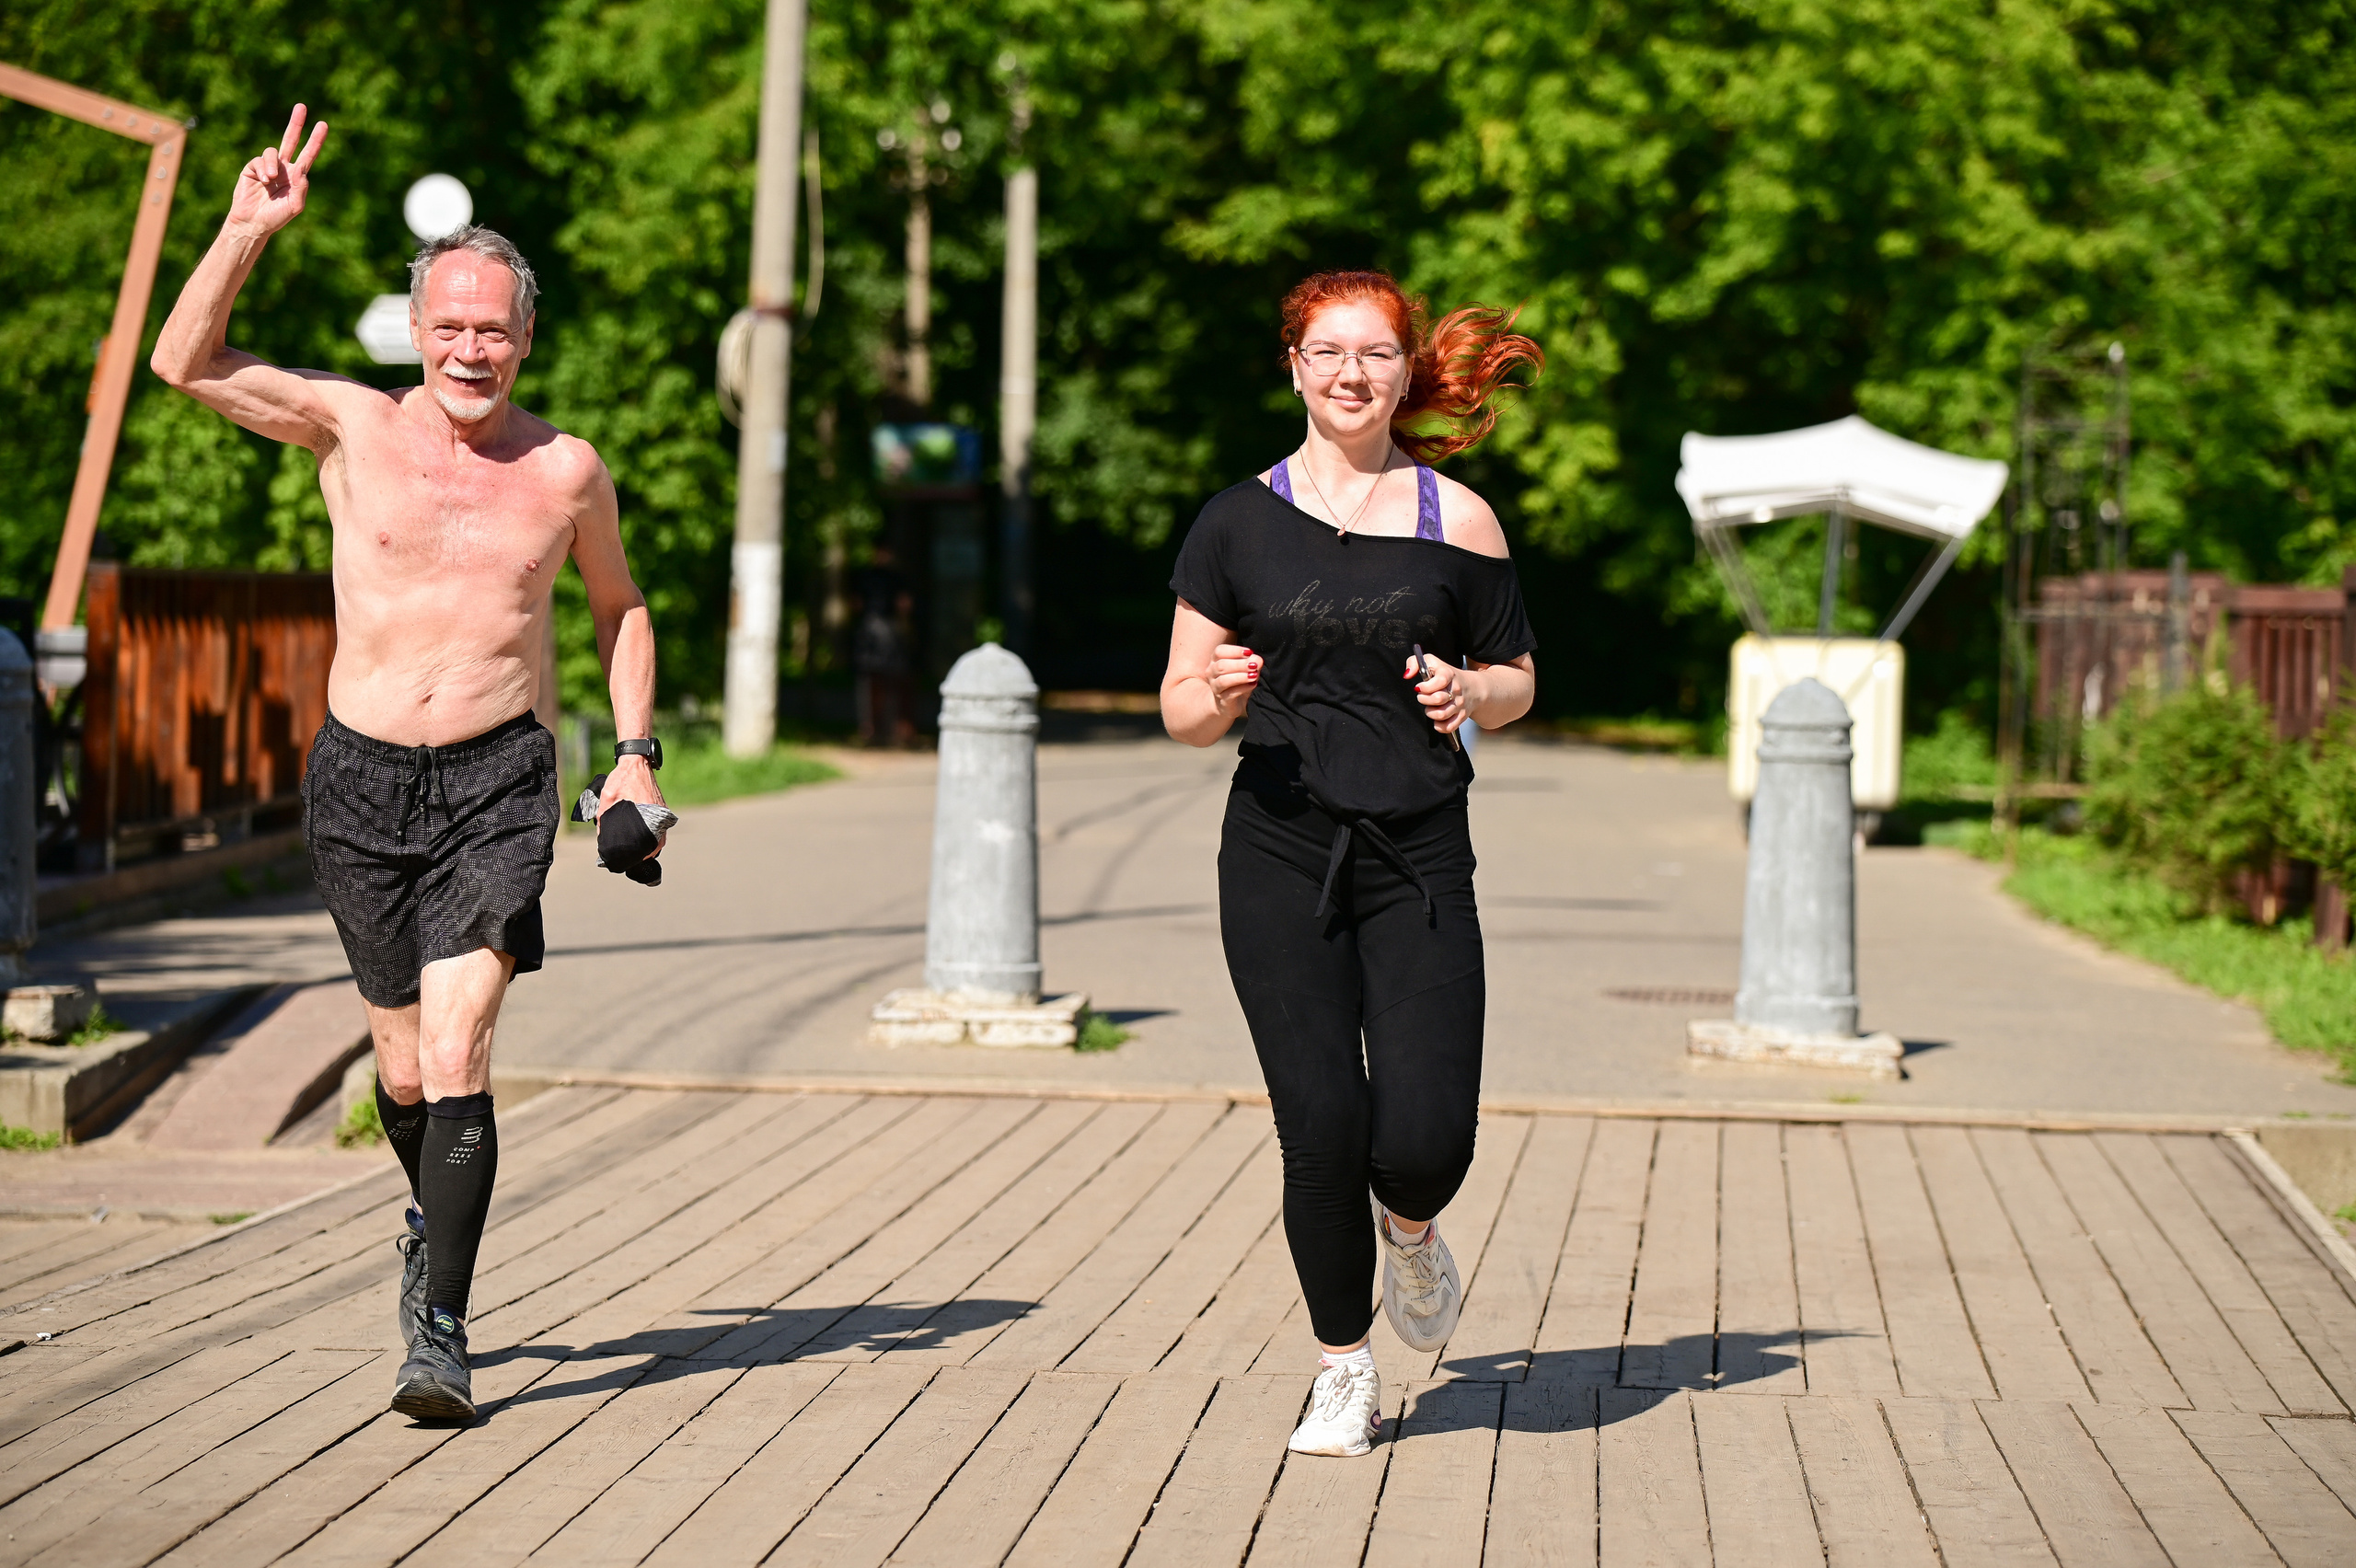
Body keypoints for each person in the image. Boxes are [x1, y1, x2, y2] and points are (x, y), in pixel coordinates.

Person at [151, 106, 666, 1422]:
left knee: (461, 1046)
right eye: (451, 325)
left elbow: (620, 609)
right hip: (363, 778)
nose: (473, 347)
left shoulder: (565, 471)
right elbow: (183, 359)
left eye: (495, 327)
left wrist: (634, 760)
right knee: (399, 1072)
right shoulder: (350, 428)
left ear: (526, 337)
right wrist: (244, 230)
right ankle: (425, 1233)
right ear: (418, 330)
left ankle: (439, 1328)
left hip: (499, 779)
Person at [1161, 270, 1541, 1457]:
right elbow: (1176, 702)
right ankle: (1342, 1368)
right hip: (1277, 852)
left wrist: (1473, 689)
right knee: (1320, 1124)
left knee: (1426, 1138)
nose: (1350, 374)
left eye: (1373, 353)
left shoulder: (1456, 520)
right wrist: (1213, 695)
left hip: (1418, 857)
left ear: (1402, 368)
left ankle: (1413, 1230)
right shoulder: (1233, 522)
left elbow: (1519, 680)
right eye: (1326, 352)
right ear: (1293, 367)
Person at [849, 544, 918, 747]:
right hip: (878, 634)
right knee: (879, 680)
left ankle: (888, 728)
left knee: (888, 679)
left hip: (879, 633)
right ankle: (875, 728)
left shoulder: (891, 578)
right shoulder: (868, 577)